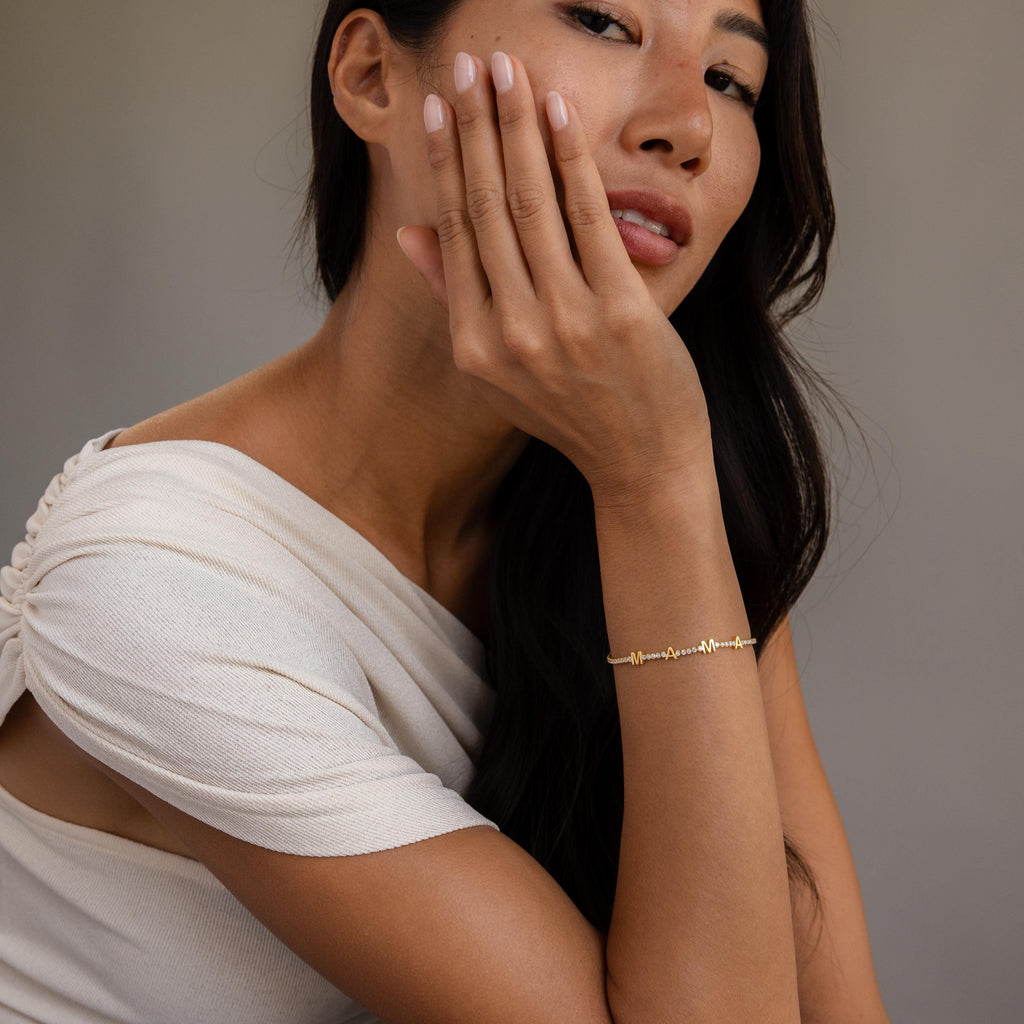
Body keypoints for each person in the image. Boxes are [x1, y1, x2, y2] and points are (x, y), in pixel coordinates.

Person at [0, 0, 891, 1021]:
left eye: (732, 81)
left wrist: (662, 490)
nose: (685, 124)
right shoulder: (156, 582)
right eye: (605, 21)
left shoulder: (648, 496)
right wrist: (655, 488)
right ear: (373, 75)